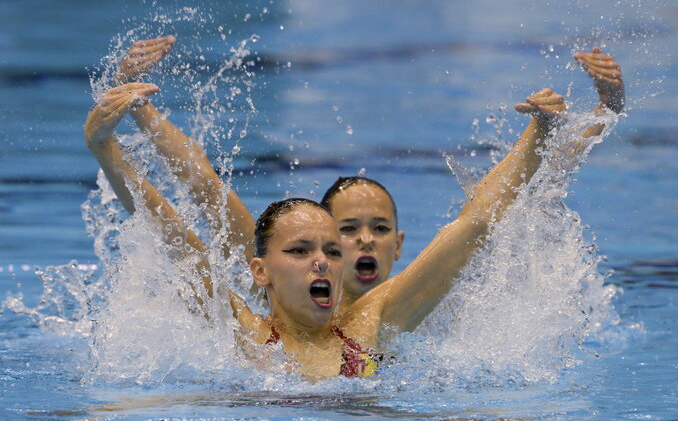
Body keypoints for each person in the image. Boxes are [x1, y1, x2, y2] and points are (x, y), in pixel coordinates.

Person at [85, 48, 623, 381]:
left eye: (331, 251)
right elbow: (186, 229)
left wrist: (541, 135)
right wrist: (121, 130)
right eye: (305, 249)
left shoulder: (374, 324)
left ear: (399, 243)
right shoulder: (245, 333)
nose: (332, 257)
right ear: (260, 270)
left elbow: (476, 223)